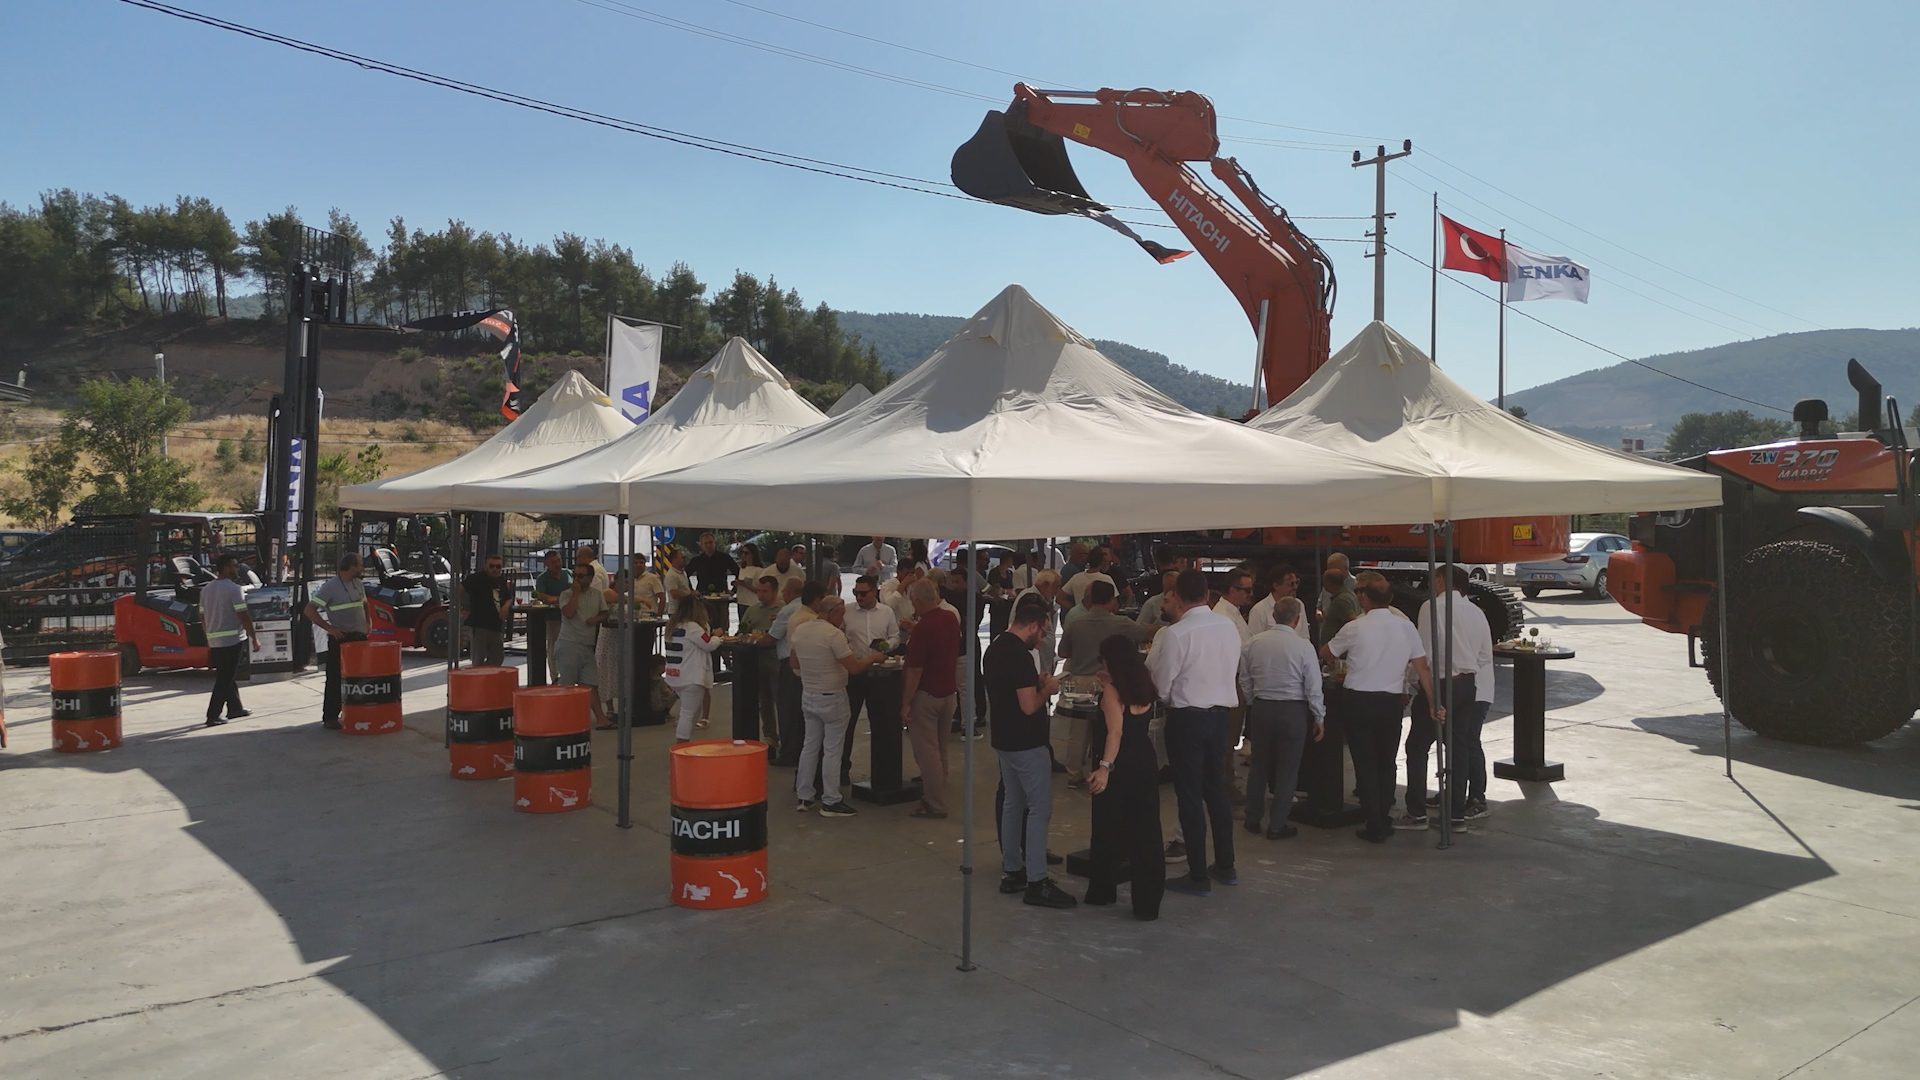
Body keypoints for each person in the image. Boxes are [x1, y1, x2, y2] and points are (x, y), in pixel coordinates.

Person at [1324, 574, 1440, 843]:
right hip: (1390, 703)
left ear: (1364, 598)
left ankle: (1373, 821)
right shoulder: (1405, 627)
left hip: (1359, 700)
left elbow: (1326, 651)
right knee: (1386, 761)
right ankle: (1384, 815)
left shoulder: (1356, 627)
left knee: (1365, 763)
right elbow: (1423, 668)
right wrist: (1434, 703)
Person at [1146, 568, 1241, 894]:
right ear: (1206, 594)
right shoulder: (1228, 625)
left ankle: (1198, 875)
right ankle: (1226, 865)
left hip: (1187, 718)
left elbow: (1161, 684)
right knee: (1216, 791)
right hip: (1220, 717)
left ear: (1179, 597)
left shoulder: (1178, 633)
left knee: (1188, 795)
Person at [986, 593, 1076, 909]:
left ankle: (1013, 870)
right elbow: (1028, 706)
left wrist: (1035, 683)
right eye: (1044, 632)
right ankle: (1037, 881)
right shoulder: (1020, 656)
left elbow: (1010, 693)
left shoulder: (996, 647)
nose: (1043, 641)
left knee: (1013, 802)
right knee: (1038, 809)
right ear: (1033, 626)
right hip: (1027, 742)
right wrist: (1047, 689)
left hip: (1003, 739)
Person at [1405, 565, 1494, 830]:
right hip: (1467, 684)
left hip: (1440, 683)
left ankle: (1416, 812)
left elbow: (1425, 653)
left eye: (1434, 579)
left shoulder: (1431, 608)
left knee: (1417, 746)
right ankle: (1456, 814)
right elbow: (1485, 656)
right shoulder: (1477, 612)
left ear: (1443, 580)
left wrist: (1416, 681)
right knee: (1459, 747)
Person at [1084, 634, 1167, 920]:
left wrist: (1104, 767)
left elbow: (1115, 732)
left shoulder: (1112, 691)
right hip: (1144, 760)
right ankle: (1148, 900)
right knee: (1146, 832)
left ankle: (1102, 888)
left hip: (1119, 763)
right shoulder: (1143, 683)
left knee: (1108, 826)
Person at [790, 595, 884, 818]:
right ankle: (831, 800)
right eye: (841, 614)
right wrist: (874, 658)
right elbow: (853, 668)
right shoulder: (834, 635)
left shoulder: (801, 630)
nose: (843, 619)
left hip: (809, 694)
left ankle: (805, 795)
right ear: (832, 612)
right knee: (833, 749)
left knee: (810, 746)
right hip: (832, 696)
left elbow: (794, 663)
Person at [1239, 597, 1324, 839]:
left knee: (1259, 765)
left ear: (1274, 616)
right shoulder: (1303, 647)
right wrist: (1319, 716)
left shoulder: (1253, 643)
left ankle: (1252, 818)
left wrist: (1254, 702)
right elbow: (1313, 687)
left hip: (1263, 707)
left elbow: (1245, 679)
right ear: (1297, 620)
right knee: (1288, 768)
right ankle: (1277, 824)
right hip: (1292, 710)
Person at [1057, 580, 1152, 786]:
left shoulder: (1075, 623)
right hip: (1111, 681)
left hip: (1081, 680)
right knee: (1112, 727)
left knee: (1078, 730)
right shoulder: (1122, 623)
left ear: (1090, 599)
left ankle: (1074, 773)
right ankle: (1106, 765)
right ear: (1111, 600)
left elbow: (1062, 652)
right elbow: (1145, 633)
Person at [900, 578, 960, 819]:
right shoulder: (949, 619)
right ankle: (938, 788)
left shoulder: (925, 626)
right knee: (940, 747)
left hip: (927, 695)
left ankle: (934, 802)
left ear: (917, 600)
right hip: (948, 692)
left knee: (927, 752)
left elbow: (915, 670)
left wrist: (906, 702)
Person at [839, 574, 900, 786]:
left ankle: (882, 771)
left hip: (879, 673)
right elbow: (839, 635)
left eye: (863, 593)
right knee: (847, 722)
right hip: (854, 672)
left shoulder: (886, 612)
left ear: (874, 592)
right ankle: (841, 770)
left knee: (880, 722)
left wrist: (886, 646)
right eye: (856, 593)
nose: (859, 597)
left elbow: (895, 636)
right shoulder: (847, 611)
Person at [305, 552, 372, 730]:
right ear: (351, 566)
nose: (362, 568)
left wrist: (368, 621)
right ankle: (330, 717)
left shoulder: (358, 583)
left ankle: (354, 711)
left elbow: (364, 603)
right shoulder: (331, 587)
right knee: (335, 678)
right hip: (341, 638)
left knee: (359, 678)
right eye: (360, 565)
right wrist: (330, 629)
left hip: (359, 637)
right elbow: (310, 610)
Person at [556, 562, 616, 730]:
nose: (576, 579)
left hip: (587, 645)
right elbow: (568, 613)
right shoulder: (566, 594)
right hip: (569, 644)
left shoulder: (596, 594)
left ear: (590, 578)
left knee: (590, 684)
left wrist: (596, 619)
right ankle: (563, 720)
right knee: (567, 684)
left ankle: (601, 718)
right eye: (574, 576)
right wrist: (575, 594)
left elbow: (604, 613)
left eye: (581, 576)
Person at [201, 553, 256, 727]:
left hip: (215, 641)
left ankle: (235, 708)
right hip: (232, 640)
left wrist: (208, 634)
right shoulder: (234, 589)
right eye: (234, 565)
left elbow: (202, 616)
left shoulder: (206, 589)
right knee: (225, 679)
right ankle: (213, 715)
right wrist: (254, 637)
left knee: (226, 675)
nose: (236, 569)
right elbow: (243, 615)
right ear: (224, 568)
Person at [662, 594, 721, 741]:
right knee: (688, 713)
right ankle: (681, 746)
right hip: (691, 676)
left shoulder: (672, 624)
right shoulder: (693, 628)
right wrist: (717, 636)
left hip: (675, 675)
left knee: (691, 712)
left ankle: (685, 743)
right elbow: (709, 644)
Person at [738, 574, 785, 754]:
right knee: (764, 701)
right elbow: (742, 631)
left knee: (780, 700)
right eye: (759, 591)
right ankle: (771, 738)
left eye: (765, 591)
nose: (761, 595)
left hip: (776, 660)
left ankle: (787, 736)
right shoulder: (753, 610)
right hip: (756, 660)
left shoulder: (783, 610)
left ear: (775, 591)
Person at [767, 577, 809, 764]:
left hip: (788, 663)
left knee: (788, 709)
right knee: (803, 710)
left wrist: (751, 640)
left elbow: (772, 637)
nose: (782, 594)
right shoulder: (806, 608)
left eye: (784, 591)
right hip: (808, 663)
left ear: (790, 592)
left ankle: (789, 753)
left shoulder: (787, 610)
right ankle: (802, 750)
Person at [461, 552, 511, 667]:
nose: (495, 569)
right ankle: (479, 679)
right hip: (479, 625)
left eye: (498, 566)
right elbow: (459, 589)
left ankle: (488, 677)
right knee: (478, 658)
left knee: (498, 657)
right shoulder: (477, 578)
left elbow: (508, 597)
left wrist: (506, 606)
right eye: (491, 566)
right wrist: (463, 606)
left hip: (496, 625)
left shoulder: (501, 580)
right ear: (486, 566)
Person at [533, 550, 571, 682]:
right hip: (552, 618)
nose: (557, 564)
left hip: (569, 618)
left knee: (568, 648)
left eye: (559, 560)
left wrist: (557, 599)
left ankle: (568, 675)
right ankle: (555, 676)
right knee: (553, 648)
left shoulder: (568, 574)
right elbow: (544, 598)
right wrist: (562, 598)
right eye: (553, 562)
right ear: (546, 564)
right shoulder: (542, 579)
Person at [1247, 568, 1309, 641]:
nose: (1295, 587)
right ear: (1276, 585)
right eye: (1291, 584)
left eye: (1297, 583)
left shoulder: (1299, 604)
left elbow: (1305, 636)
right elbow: (1254, 642)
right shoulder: (1258, 610)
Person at [687, 532, 738, 599]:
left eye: (710, 542)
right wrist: (691, 590)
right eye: (705, 543)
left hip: (721, 597)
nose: (708, 545)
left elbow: (739, 572)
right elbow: (685, 575)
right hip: (702, 597)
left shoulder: (724, 558)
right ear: (701, 545)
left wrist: (734, 590)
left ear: (714, 543)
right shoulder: (697, 560)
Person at [1319, 568, 1361, 643]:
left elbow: (1353, 622)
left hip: (1337, 649)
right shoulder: (1349, 594)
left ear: (1328, 582)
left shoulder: (1341, 600)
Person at [631, 552, 665, 618]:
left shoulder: (653, 578)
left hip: (649, 615)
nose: (638, 565)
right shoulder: (630, 579)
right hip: (633, 615)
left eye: (641, 562)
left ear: (645, 564)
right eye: (636, 563)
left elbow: (662, 598)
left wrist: (658, 615)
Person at [734, 544, 764, 617]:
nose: (743, 555)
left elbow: (760, 590)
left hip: (752, 603)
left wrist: (744, 584)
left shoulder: (759, 570)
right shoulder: (742, 569)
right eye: (742, 552)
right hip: (741, 601)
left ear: (753, 554)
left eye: (746, 553)